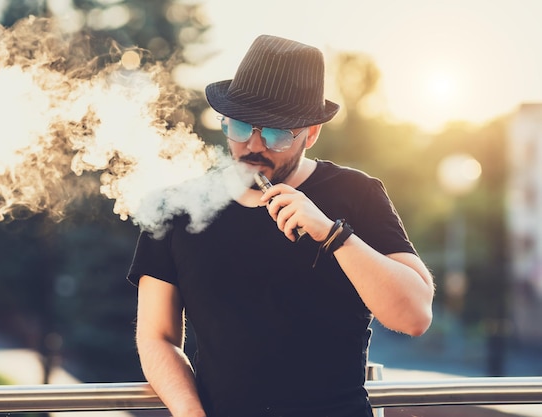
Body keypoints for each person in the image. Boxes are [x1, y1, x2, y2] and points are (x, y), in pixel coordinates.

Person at [127, 34, 434, 417]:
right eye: (240, 127)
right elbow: (157, 337)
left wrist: (332, 234)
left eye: (275, 132)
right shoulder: (176, 207)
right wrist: (192, 414)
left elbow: (415, 316)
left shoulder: (357, 193)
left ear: (311, 132)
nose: (254, 145)